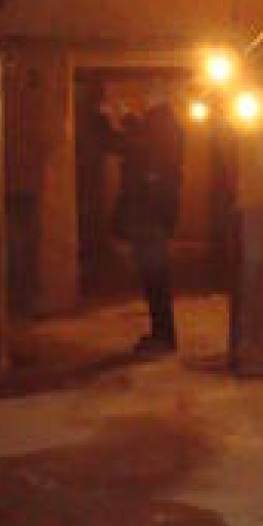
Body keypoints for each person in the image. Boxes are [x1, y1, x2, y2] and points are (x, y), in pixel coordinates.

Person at [98, 81, 184, 356]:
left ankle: (164, 337)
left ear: (158, 96)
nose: (144, 97)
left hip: (150, 215)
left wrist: (109, 117)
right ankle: (162, 334)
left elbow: (129, 144)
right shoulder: (163, 124)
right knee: (154, 277)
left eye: (148, 92)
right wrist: (125, 116)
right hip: (155, 214)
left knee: (155, 277)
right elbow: (138, 142)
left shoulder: (161, 125)